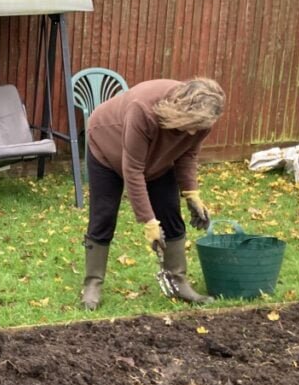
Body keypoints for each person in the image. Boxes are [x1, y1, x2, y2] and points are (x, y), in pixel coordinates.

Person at [81, 78, 224, 308]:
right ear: (181, 108)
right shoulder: (144, 110)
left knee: (170, 214)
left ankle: (179, 281)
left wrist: (191, 193)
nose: (193, 131)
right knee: (104, 216)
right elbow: (133, 170)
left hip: (156, 160)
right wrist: (148, 222)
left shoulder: (204, 118)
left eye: (199, 127)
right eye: (191, 124)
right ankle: (92, 284)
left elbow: (187, 155)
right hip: (107, 148)